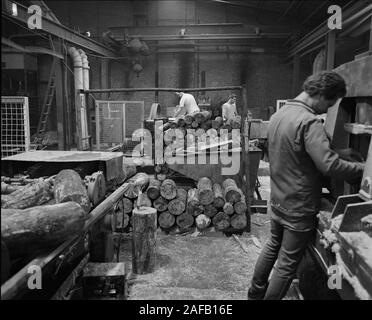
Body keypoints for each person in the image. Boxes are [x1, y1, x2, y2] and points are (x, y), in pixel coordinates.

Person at [247, 71, 365, 300]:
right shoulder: (309, 121)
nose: (327, 109)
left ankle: (254, 293)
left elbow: (296, 150)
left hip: (279, 199)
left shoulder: (281, 115)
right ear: (320, 94)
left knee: (272, 246)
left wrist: (339, 152)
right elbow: (328, 166)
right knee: (287, 265)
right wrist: (362, 170)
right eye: (330, 103)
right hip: (298, 207)